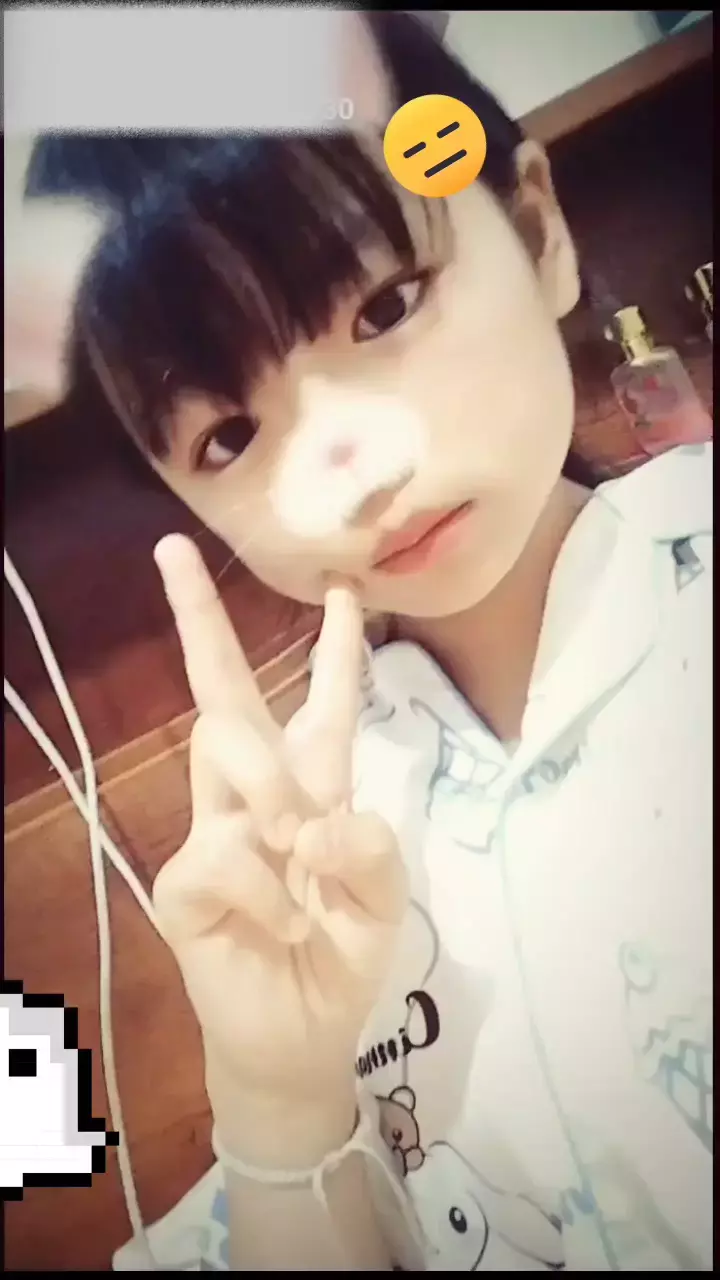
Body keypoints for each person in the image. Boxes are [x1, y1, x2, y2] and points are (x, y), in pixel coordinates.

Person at [19, 11, 712, 1273]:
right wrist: (276, 1099)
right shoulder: (310, 838)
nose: (352, 473)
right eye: (229, 435)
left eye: (388, 304)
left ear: (539, 232)